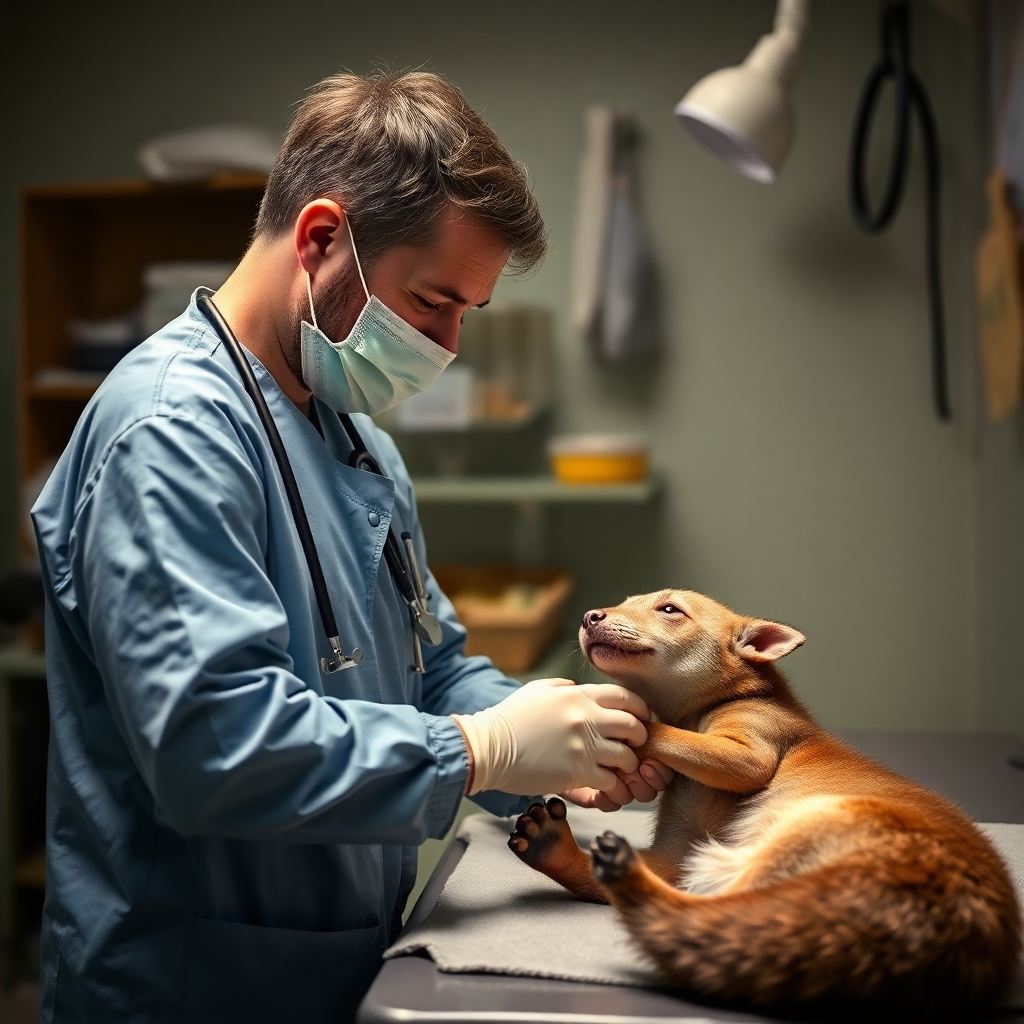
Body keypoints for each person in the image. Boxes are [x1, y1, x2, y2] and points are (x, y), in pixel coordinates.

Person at [31, 71, 671, 1024]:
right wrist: (484, 750)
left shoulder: (353, 433)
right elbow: (214, 744)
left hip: (345, 964)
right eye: (431, 303)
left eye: (467, 316)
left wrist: (553, 733)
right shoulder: (169, 433)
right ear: (323, 238)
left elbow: (430, 668)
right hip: (193, 979)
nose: (448, 345)